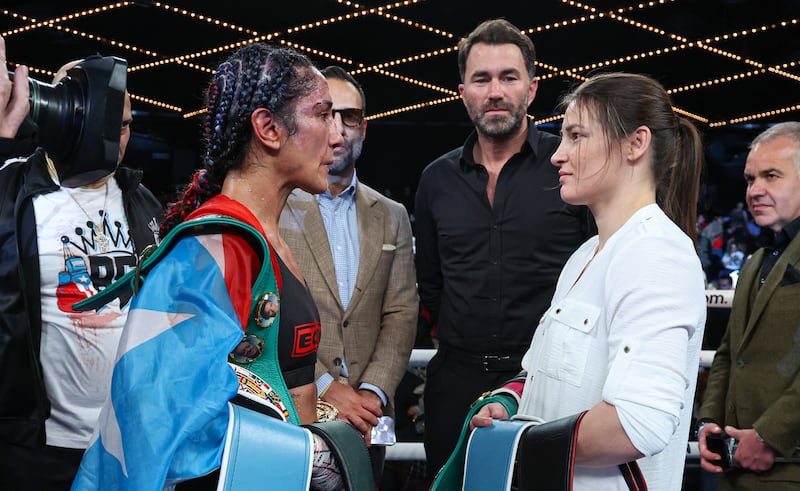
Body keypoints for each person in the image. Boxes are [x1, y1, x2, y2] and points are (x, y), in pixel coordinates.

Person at [71, 43, 352, 490]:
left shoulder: (260, 236)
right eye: (322, 114)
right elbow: (153, 410)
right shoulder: (219, 243)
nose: (338, 136)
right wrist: (300, 452)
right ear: (269, 128)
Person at [470, 72, 707, 490]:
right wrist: (510, 404)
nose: (558, 155)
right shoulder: (587, 253)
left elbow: (638, 423)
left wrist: (517, 445)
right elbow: (547, 377)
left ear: (637, 143)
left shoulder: (656, 254)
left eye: (577, 136)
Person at [413, 18, 594, 478]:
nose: (495, 91)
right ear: (463, 92)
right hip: (455, 382)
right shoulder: (436, 179)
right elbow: (430, 284)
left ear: (531, 90)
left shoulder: (568, 165)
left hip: (546, 381)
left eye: (508, 77)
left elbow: (595, 274)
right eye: (482, 79)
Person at [0, 36, 163, 490]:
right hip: (39, 449)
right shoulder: (14, 190)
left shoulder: (142, 200)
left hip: (126, 440)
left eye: (127, 125)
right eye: (110, 123)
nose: (118, 138)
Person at [279, 65, 418, 485]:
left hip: (369, 420)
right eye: (327, 114)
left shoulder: (391, 215)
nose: (338, 130)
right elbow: (272, 313)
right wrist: (324, 386)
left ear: (364, 127)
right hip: (294, 410)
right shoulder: (277, 207)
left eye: (350, 117)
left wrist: (371, 394)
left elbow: (402, 312)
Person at [698, 121, 800, 491]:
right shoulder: (757, 259)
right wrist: (709, 421)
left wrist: (771, 436)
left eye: (771, 176)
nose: (755, 191)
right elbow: (728, 352)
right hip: (732, 467)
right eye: (750, 179)